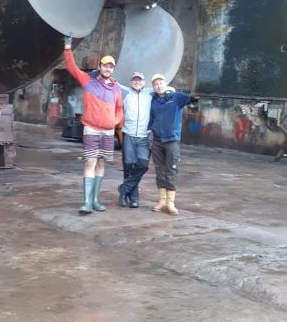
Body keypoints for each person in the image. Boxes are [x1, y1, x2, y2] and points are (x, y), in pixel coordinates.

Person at [63, 35, 123, 215]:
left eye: (110, 66)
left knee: (101, 163)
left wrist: (114, 121)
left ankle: (95, 200)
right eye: (105, 65)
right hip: (91, 129)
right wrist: (68, 47)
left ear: (113, 69)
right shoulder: (88, 81)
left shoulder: (116, 88)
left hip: (108, 131)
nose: (107, 68)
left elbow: (120, 109)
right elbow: (72, 68)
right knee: (90, 161)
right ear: (100, 67)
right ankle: (87, 202)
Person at [148, 73, 198, 215]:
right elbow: (151, 119)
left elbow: (192, 99)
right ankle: (161, 201)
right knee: (160, 170)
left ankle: (170, 203)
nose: (158, 86)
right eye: (155, 84)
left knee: (171, 170)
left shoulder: (176, 97)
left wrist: (194, 103)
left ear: (165, 84)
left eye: (160, 83)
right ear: (153, 87)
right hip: (157, 140)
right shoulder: (153, 101)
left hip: (171, 140)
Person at [118, 72, 152, 208]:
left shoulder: (150, 93)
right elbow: (112, 83)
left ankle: (124, 189)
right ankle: (133, 198)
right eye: (134, 80)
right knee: (128, 166)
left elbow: (167, 88)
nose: (137, 82)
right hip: (129, 134)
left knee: (143, 164)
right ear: (130, 82)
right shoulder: (125, 92)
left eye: (139, 80)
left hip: (144, 136)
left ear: (144, 82)